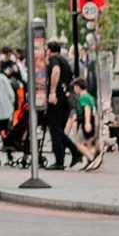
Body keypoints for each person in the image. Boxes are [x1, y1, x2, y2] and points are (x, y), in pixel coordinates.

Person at [39, 39, 84, 170]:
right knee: (59, 128)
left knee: (54, 128)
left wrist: (52, 91)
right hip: (65, 98)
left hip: (57, 97)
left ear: (49, 50)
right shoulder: (64, 60)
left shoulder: (54, 60)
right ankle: (66, 156)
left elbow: (56, 71)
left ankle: (66, 155)